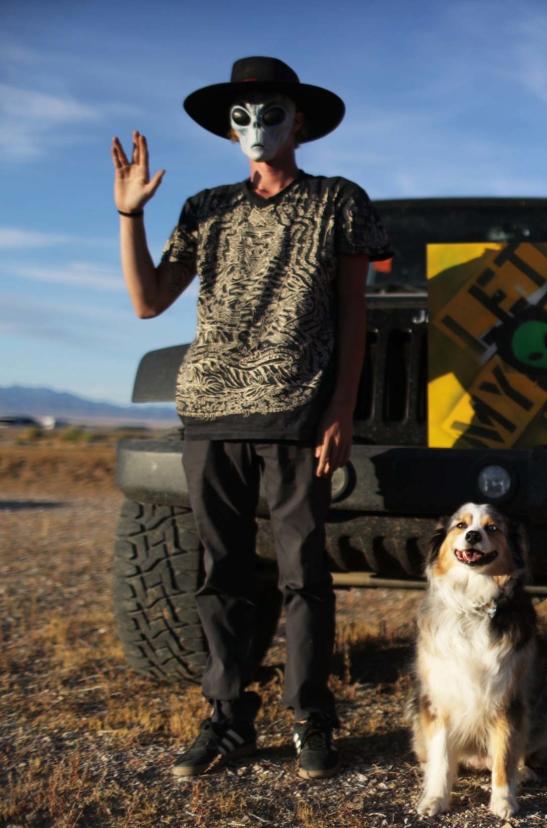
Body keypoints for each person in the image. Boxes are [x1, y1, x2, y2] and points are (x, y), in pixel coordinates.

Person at [111, 56, 390, 779]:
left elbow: (354, 312)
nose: (256, 127)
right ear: (227, 129)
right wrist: (130, 214)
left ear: (299, 121)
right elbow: (147, 302)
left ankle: (310, 717)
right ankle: (228, 717)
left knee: (303, 573)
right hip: (209, 411)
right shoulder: (205, 208)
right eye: (242, 115)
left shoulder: (339, 200)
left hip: (296, 412)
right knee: (221, 572)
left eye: (270, 113)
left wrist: (340, 409)